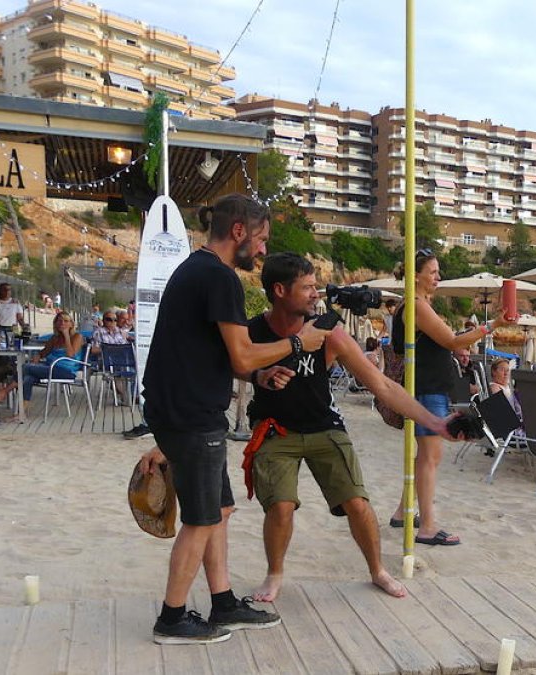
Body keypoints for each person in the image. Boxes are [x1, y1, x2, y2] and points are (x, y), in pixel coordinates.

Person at [140, 193, 327, 645]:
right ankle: (172, 617)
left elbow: (229, 357)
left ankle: (222, 603)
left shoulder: (199, 270)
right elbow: (242, 350)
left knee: (219, 510)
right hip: (190, 414)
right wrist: (301, 342)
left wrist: (260, 373)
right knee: (202, 519)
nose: (263, 250)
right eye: (261, 239)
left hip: (183, 409)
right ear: (239, 231)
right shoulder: (218, 277)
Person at [227, 253, 456, 602]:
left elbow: (383, 386)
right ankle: (274, 574)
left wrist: (435, 422)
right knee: (281, 506)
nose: (315, 294)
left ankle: (377, 570)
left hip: (324, 427)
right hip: (275, 429)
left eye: (315, 287)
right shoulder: (254, 330)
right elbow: (231, 364)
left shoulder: (328, 332)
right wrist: (259, 374)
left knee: (358, 503)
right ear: (279, 291)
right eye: (306, 288)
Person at [387, 249, 510, 546]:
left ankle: (404, 513)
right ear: (416, 275)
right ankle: (427, 527)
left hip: (426, 386)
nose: (438, 277)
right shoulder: (416, 305)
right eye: (433, 272)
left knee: (425, 455)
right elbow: (452, 341)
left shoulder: (411, 305)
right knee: (431, 456)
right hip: (427, 388)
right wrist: (492, 325)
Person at [21, 312, 86, 401]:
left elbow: (70, 354)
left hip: (67, 371)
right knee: (28, 378)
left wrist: (66, 335)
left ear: (71, 324)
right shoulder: (55, 338)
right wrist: (38, 356)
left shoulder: (77, 336)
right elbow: (44, 352)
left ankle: (5, 391)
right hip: (51, 368)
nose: (62, 323)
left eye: (66, 321)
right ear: (56, 324)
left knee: (25, 368)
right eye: (59, 321)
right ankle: (23, 411)